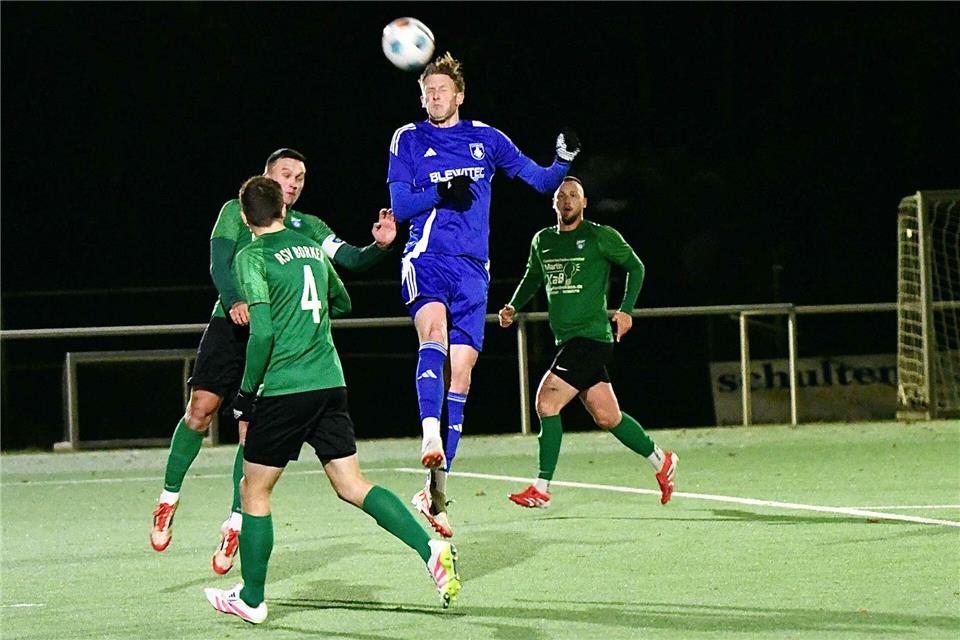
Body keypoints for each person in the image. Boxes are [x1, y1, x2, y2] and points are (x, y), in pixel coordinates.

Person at [204, 176, 460, 624]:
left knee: (253, 490)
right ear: (282, 209)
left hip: (285, 389)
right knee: (351, 484)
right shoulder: (309, 247)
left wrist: (245, 393)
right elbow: (342, 303)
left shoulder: (252, 256)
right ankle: (430, 548)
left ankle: (252, 598)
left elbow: (262, 334)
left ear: (245, 217)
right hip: (329, 383)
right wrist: (308, 320)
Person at [151, 148, 397, 576]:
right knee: (200, 409)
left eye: (300, 177)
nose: (294, 182)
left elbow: (350, 260)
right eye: (286, 174)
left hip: (273, 337)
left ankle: (235, 523)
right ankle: (168, 498)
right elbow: (219, 264)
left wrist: (379, 245)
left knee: (251, 432)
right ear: (267, 176)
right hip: (231, 324)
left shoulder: (307, 228)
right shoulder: (236, 212)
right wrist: (235, 301)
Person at [386, 52, 580, 538]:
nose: (434, 97)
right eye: (427, 92)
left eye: (441, 90)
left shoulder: (487, 139)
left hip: (474, 270)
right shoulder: (408, 137)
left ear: (459, 95)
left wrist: (564, 160)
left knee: (464, 373)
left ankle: (434, 492)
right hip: (427, 257)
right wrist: (441, 193)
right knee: (433, 332)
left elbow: (541, 180)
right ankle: (429, 434)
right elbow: (401, 204)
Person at [498, 176, 678, 508]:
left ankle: (541, 487)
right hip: (569, 341)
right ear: (554, 203)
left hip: (591, 338)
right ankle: (661, 460)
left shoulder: (599, 236)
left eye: (574, 195)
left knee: (546, 403)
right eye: (561, 195)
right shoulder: (542, 240)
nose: (567, 200)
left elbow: (636, 267)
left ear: (584, 203)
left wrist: (626, 310)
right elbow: (533, 276)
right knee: (608, 416)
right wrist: (513, 305)